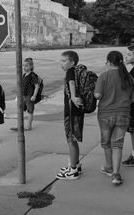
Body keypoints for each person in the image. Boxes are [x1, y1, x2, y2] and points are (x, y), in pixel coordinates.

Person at [94, 51, 134, 185]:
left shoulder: (103, 76)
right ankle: (116, 174)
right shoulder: (129, 77)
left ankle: (108, 167)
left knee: (107, 143)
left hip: (105, 115)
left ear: (108, 62)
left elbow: (97, 95)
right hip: (123, 114)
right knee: (118, 145)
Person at [56, 51, 84, 180]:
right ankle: (76, 164)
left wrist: (73, 96)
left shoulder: (70, 71)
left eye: (63, 61)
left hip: (72, 111)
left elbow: (71, 83)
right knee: (73, 139)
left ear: (72, 62)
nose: (61, 63)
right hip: (77, 111)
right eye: (60, 61)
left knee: (71, 140)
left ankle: (73, 171)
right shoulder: (77, 71)